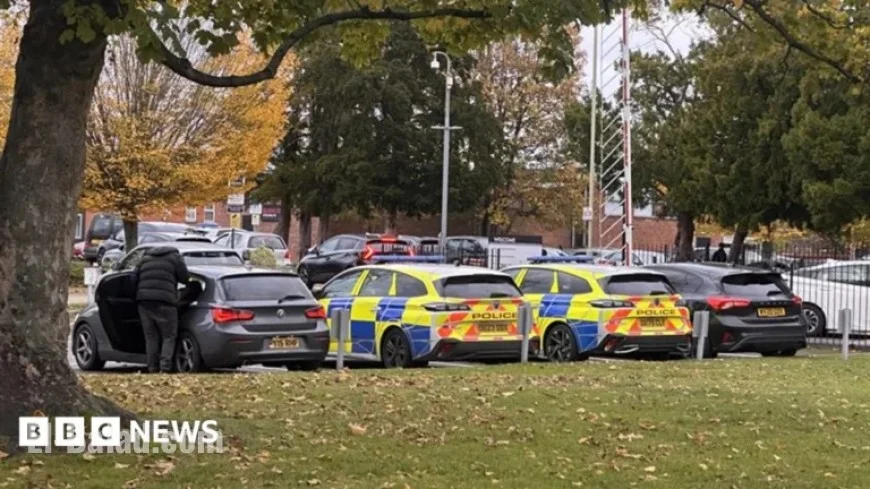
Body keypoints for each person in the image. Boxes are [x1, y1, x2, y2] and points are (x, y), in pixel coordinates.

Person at [131, 247, 190, 373]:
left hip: (145, 302)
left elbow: (133, 279)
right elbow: (185, 278)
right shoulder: (175, 258)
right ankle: (165, 367)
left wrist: (137, 295)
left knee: (151, 336)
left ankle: (152, 367)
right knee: (168, 336)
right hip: (166, 301)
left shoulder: (144, 259)